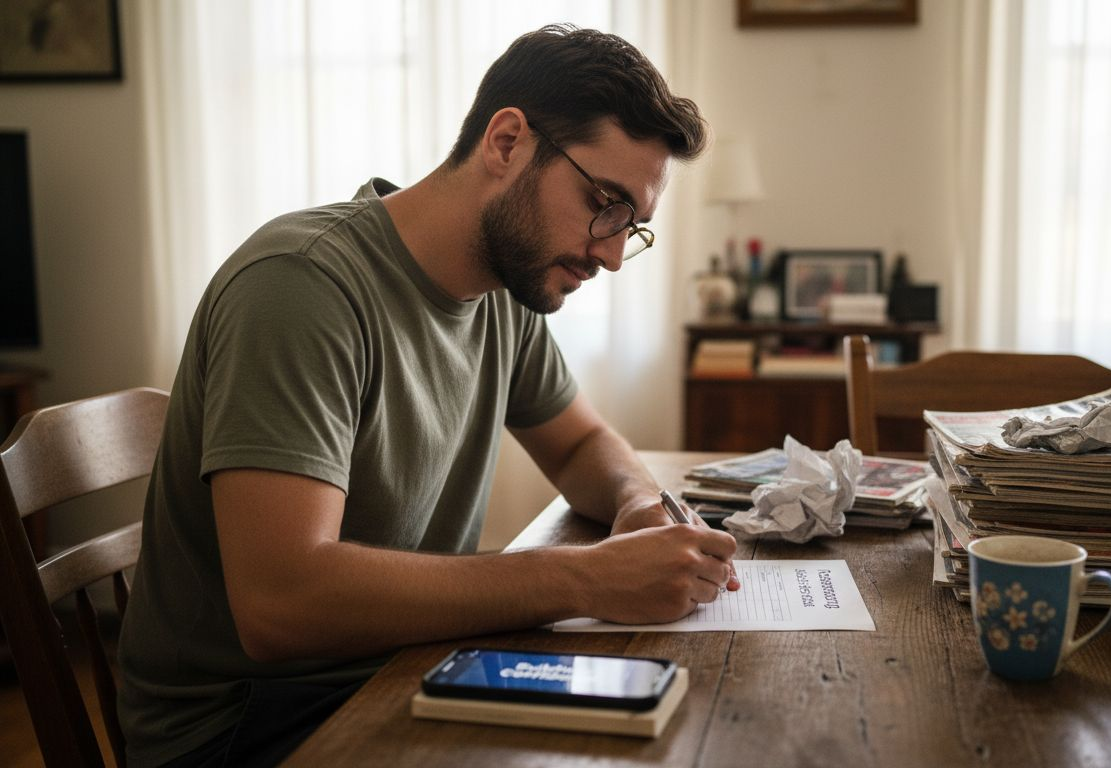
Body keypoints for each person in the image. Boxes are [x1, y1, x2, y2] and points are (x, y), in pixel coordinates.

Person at [117, 24, 739, 767]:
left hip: (404, 668)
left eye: (630, 227)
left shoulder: (505, 291)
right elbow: (281, 604)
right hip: (253, 728)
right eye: (604, 202)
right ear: (506, 143)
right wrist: (582, 576)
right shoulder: (300, 287)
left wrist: (635, 503)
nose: (610, 254)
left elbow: (580, 443)